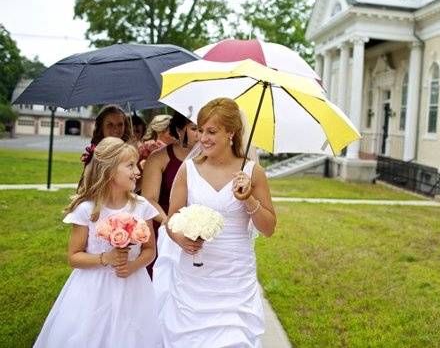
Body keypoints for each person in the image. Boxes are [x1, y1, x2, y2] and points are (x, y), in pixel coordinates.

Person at [154, 97, 276, 348]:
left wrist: (249, 199)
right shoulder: (189, 170)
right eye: (200, 130)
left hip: (235, 279)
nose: (202, 138)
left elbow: (269, 228)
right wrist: (181, 239)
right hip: (194, 278)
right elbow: (171, 219)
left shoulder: (252, 173)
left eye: (211, 131)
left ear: (231, 132)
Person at [34, 137, 161, 348]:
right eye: (130, 165)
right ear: (110, 171)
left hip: (133, 287)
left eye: (137, 164)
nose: (138, 171)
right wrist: (106, 258)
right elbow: (74, 257)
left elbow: (149, 251)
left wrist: (131, 266)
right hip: (92, 290)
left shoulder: (141, 206)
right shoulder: (87, 210)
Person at [141, 111, 200, 278]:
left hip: (197, 231)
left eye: (203, 129)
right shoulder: (159, 158)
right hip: (162, 225)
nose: (200, 135)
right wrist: (170, 224)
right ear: (179, 130)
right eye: (194, 128)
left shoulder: (208, 160)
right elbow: (148, 199)